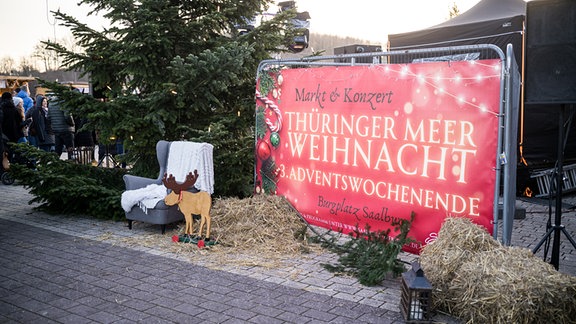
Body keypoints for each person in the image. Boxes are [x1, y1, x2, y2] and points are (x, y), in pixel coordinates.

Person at [47, 94, 75, 159]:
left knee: (58, 150)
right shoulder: (64, 103)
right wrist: (72, 124)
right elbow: (67, 116)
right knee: (70, 149)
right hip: (66, 129)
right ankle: (71, 164)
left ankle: (55, 164)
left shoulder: (51, 104)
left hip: (56, 130)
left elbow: (49, 117)